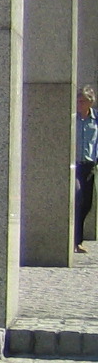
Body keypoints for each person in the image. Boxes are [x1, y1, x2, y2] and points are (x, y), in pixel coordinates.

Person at [77, 86, 96, 252]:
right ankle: (77, 240)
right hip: (74, 164)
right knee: (77, 197)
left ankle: (76, 239)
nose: (79, 104)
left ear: (90, 102)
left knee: (87, 204)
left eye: (83, 101)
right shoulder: (73, 118)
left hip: (89, 165)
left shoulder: (95, 120)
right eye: (78, 101)